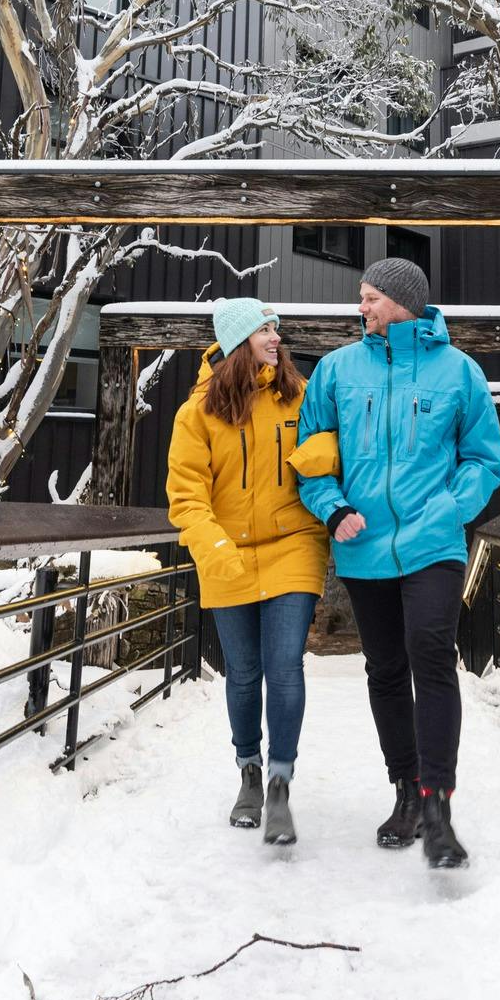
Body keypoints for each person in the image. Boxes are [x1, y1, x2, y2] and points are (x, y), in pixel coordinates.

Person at [289, 257, 500, 869]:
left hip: (432, 544)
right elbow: (310, 460)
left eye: (370, 298)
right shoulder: (335, 371)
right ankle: (406, 790)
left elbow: (484, 461)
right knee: (385, 668)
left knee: (431, 654)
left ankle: (439, 806)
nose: (361, 308)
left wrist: (449, 510)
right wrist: (332, 510)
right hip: (362, 548)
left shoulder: (460, 373)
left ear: (402, 301)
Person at [164, 298, 329, 847]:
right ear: (238, 341)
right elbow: (186, 497)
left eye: (277, 328)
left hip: (292, 545)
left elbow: (330, 446)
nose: (276, 337)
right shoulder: (197, 414)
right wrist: (213, 548)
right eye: (264, 329)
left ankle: (280, 784)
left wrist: (321, 454)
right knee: (243, 672)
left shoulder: (297, 395)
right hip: (226, 552)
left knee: (284, 666)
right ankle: (249, 773)